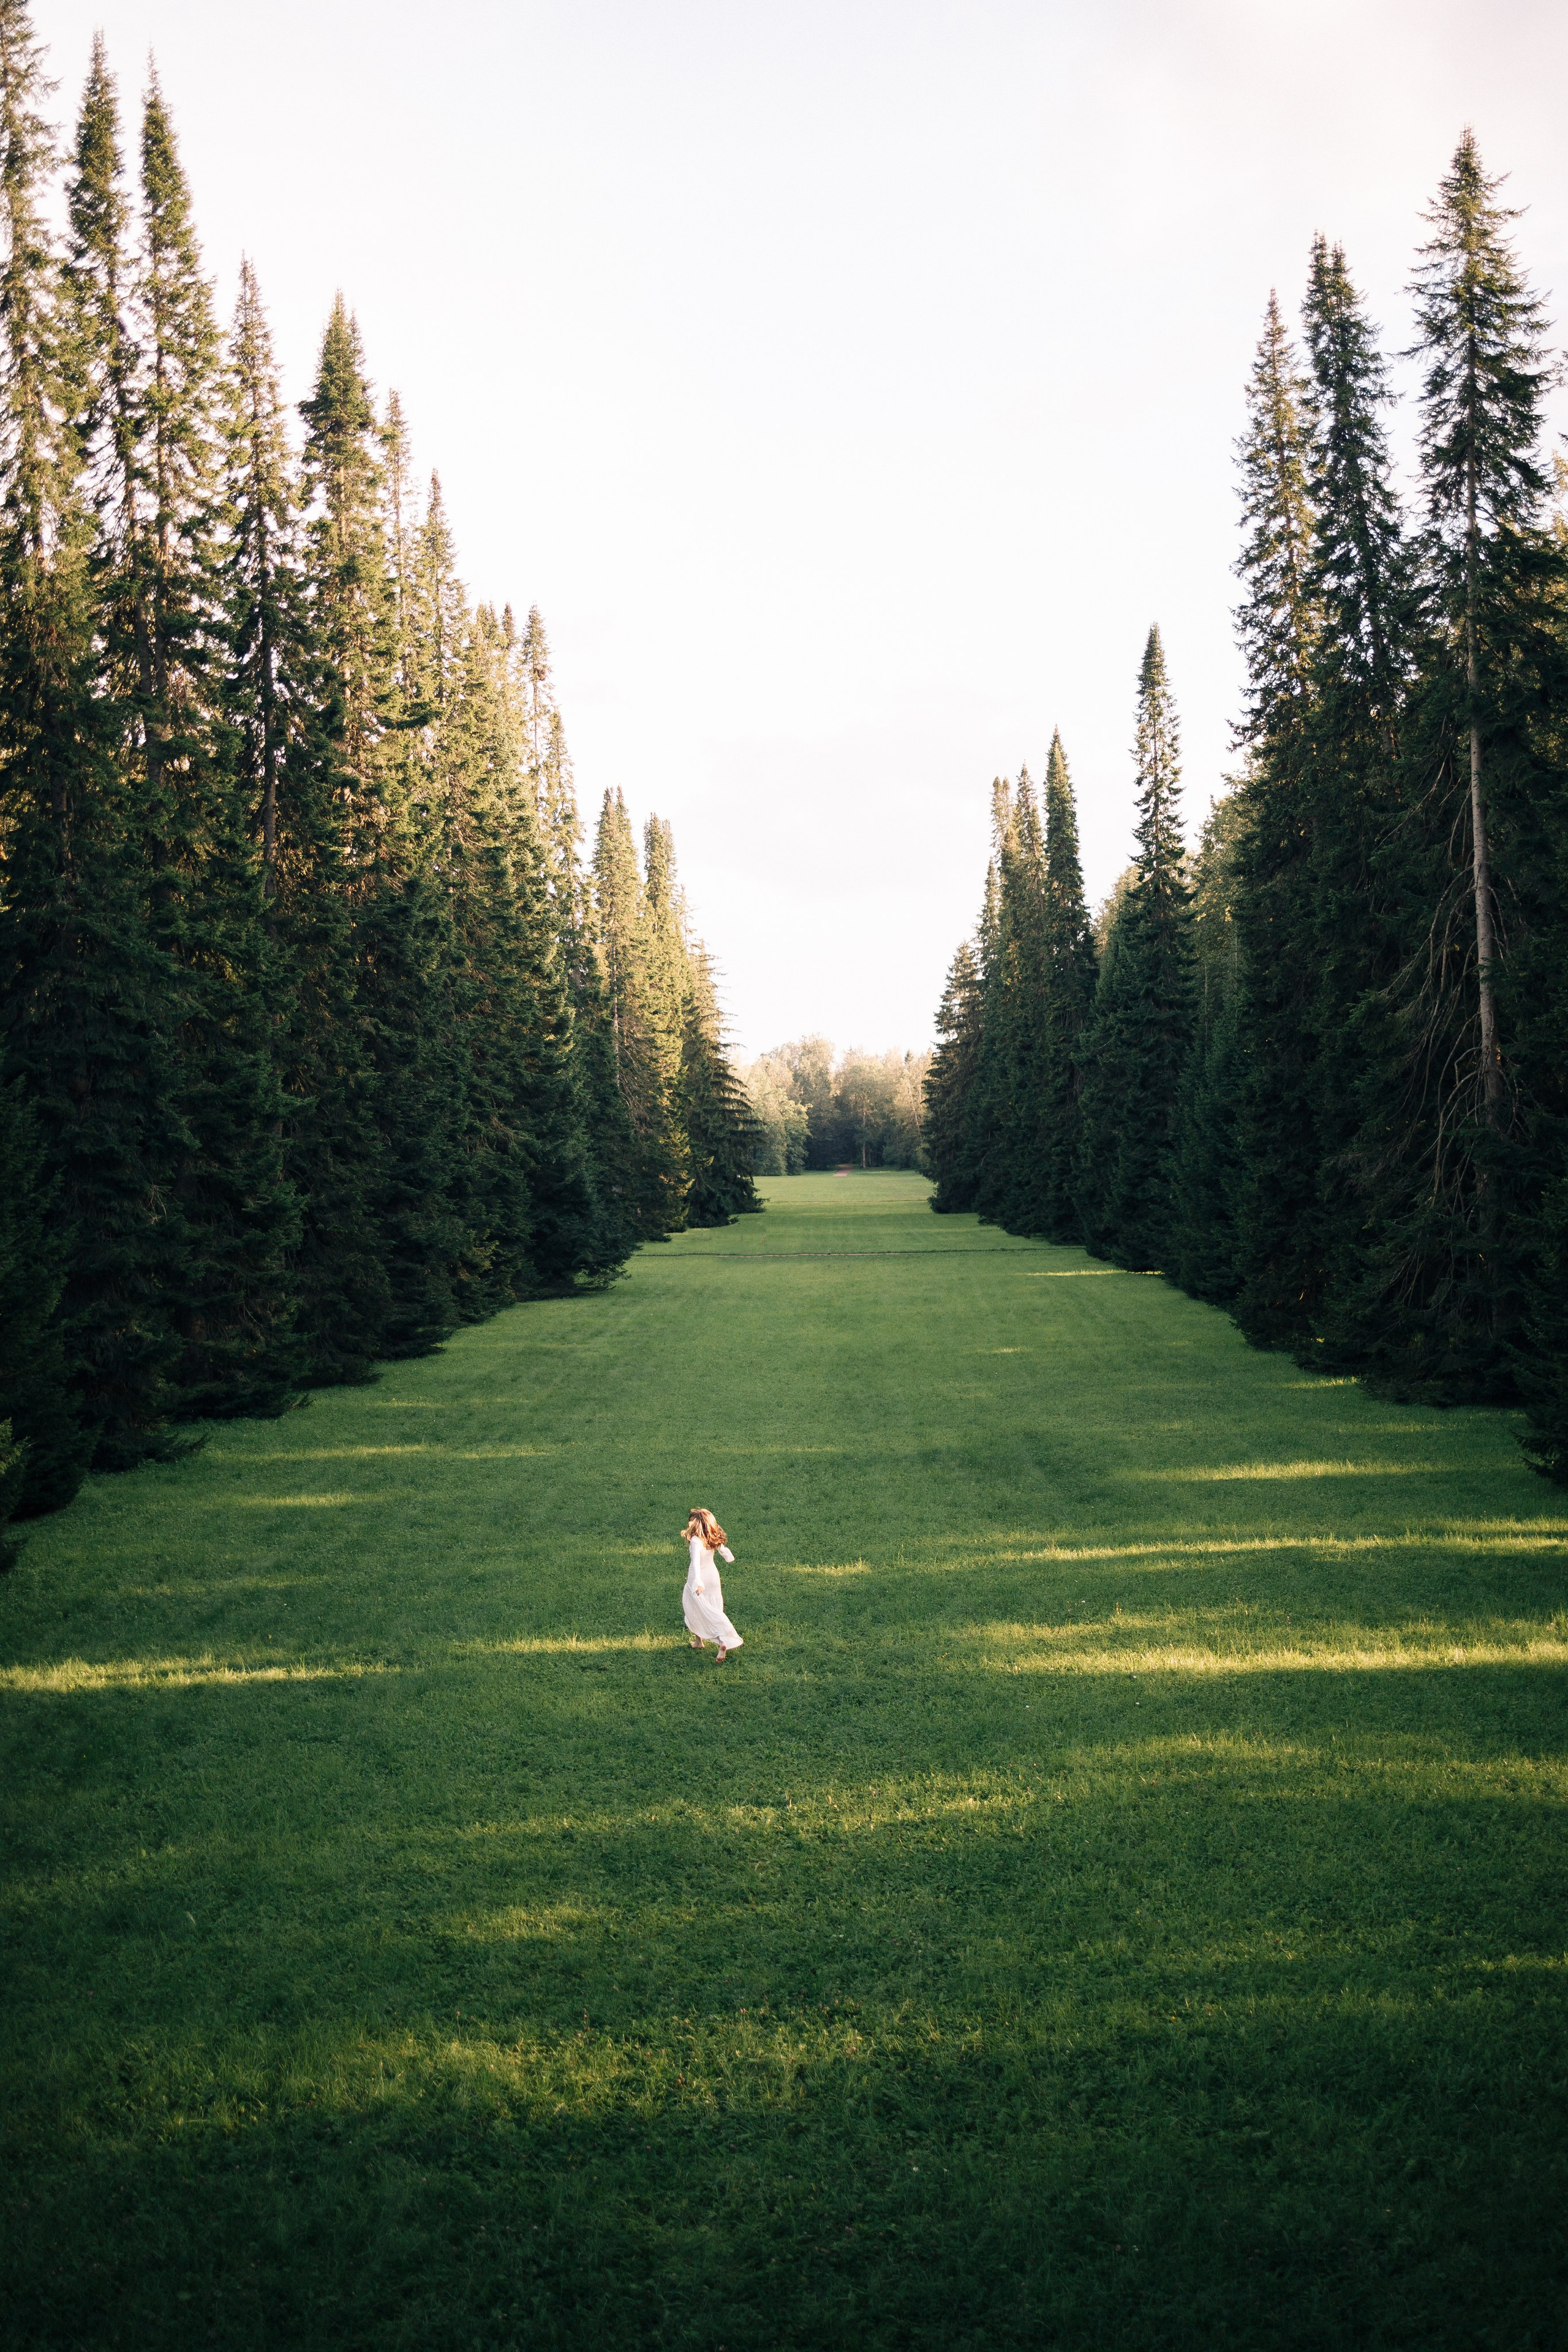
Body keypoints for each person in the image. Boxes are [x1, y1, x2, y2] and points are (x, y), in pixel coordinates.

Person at [681, 1507, 744, 1663]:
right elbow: (723, 1551)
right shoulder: (712, 1537)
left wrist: (697, 1581)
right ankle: (720, 1642)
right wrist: (728, 1555)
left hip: (699, 1577)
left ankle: (699, 1642)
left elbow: (695, 1563)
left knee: (695, 1608)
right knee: (714, 1610)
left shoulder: (696, 1541)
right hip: (713, 1576)